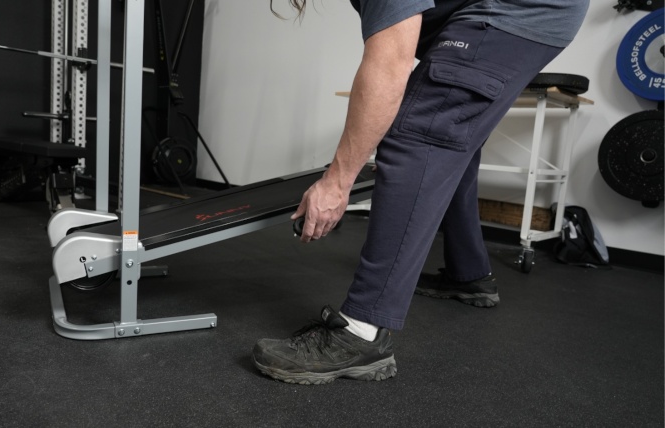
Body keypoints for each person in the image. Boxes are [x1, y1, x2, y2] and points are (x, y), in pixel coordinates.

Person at [253, 0, 590, 385]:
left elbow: (390, 63)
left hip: (517, 10)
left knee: (419, 136)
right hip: (522, 11)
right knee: (448, 130)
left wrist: (338, 181)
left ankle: (363, 332)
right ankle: (469, 273)